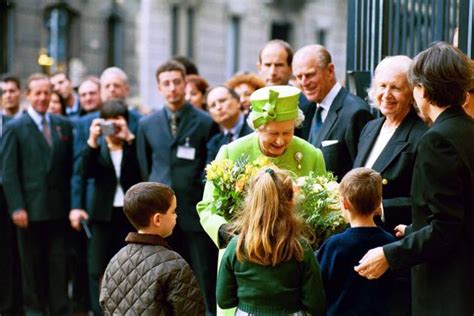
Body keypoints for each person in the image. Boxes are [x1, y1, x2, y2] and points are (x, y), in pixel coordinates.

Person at [355, 42, 474, 315]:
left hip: (446, 286)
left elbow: (445, 227)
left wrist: (389, 254)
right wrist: (411, 230)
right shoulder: (466, 129)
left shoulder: (437, 140)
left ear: (421, 90)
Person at [198, 85, 326, 252]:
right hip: (242, 253)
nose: (280, 141)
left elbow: (323, 211)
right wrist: (227, 232)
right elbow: (207, 207)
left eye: (287, 133)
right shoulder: (231, 152)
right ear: (257, 128)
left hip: (296, 253)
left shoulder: (312, 155)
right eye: (273, 134)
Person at [136, 60, 217, 315]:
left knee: (202, 271)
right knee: (162, 273)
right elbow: (144, 165)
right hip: (158, 213)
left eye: (177, 82)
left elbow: (210, 166)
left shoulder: (205, 122)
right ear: (159, 88)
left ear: (185, 84)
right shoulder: (146, 125)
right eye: (166, 83)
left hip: (192, 210)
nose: (172, 88)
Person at [2, 73, 73, 315]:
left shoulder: (62, 124)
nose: (43, 98)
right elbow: (9, 172)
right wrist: (17, 207)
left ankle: (59, 310)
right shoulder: (15, 128)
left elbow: (69, 169)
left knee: (58, 266)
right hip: (29, 212)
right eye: (38, 93)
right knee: (31, 268)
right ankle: (33, 311)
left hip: (58, 210)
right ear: (28, 95)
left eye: (47, 93)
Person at [217, 168, 325, 315]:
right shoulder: (300, 247)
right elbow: (316, 303)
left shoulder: (237, 246)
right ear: (291, 201)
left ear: (250, 201)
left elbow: (224, 300)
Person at [100, 182, 205, 315]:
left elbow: (105, 304)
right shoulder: (175, 265)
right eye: (173, 211)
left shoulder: (115, 261)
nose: (176, 216)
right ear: (157, 220)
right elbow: (192, 312)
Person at [80, 99, 142, 315]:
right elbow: (83, 172)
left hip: (128, 215)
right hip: (101, 214)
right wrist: (92, 140)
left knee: (127, 267)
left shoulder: (131, 143)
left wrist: (130, 138)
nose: (113, 126)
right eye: (108, 121)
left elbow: (142, 170)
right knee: (97, 267)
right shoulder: (97, 147)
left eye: (118, 121)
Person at [353, 56, 428, 233]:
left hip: (391, 236)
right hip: (360, 232)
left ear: (411, 93)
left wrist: (381, 207)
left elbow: (424, 200)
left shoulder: (422, 135)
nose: (386, 95)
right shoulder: (369, 129)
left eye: (395, 88)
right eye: (382, 86)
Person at [317, 167, 395, 315]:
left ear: (344, 203)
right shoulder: (389, 243)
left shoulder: (334, 245)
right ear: (379, 203)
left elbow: (319, 286)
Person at [292, 44, 373, 181]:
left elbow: (362, 176)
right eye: (299, 77)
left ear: (330, 71)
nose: (304, 82)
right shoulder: (311, 109)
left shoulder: (355, 112)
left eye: (310, 75)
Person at [205, 86, 253, 164]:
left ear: (238, 101)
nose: (218, 107)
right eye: (213, 105)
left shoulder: (255, 128)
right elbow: (207, 174)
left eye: (222, 101)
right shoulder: (214, 143)